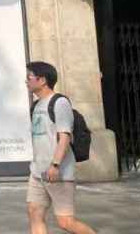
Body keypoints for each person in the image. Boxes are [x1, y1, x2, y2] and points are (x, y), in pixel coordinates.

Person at [25, 61, 96, 234]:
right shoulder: (36, 105)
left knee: (65, 222)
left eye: (29, 77)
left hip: (58, 172)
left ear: (42, 80)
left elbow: (64, 136)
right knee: (35, 212)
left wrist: (55, 164)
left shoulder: (59, 102)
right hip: (37, 172)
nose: (26, 81)